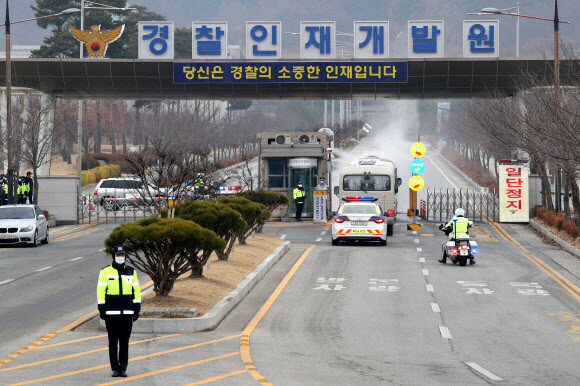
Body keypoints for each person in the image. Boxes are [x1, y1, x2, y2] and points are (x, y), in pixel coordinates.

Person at [97, 246, 141, 377]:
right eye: (118, 255)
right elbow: (101, 291)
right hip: (111, 314)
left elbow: (136, 291)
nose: (120, 257)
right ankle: (115, 368)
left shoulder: (131, 272)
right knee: (112, 342)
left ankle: (123, 368)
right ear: (114, 256)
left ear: (125, 256)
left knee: (124, 342)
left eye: (122, 255)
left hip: (127, 314)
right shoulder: (105, 271)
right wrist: (102, 309)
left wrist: (137, 308)